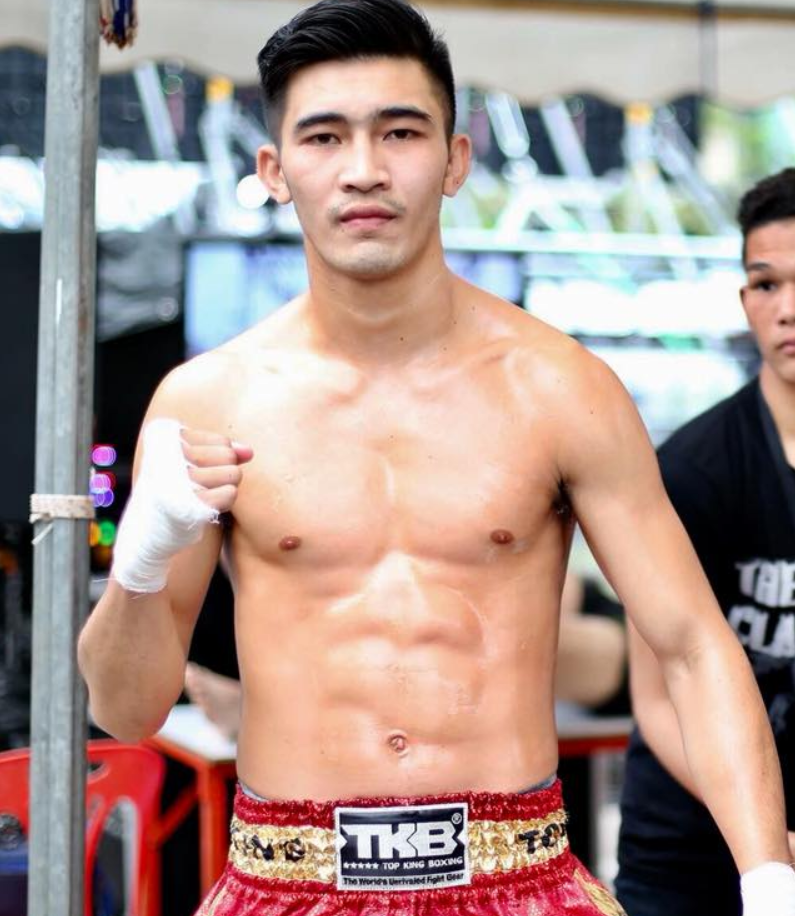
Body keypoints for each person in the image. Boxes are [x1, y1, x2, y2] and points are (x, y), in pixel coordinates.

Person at [77, 2, 795, 913]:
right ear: (274, 170)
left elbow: (691, 647)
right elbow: (125, 710)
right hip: (283, 879)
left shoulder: (559, 387)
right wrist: (139, 565)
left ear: (455, 160)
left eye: (400, 132)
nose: (364, 169)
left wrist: (767, 878)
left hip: (519, 879)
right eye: (324, 137)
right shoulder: (205, 400)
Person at [615, 167, 795, 915]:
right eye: (765, 284)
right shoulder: (692, 468)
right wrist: (770, 847)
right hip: (691, 852)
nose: (787, 309)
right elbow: (659, 698)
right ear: (744, 301)